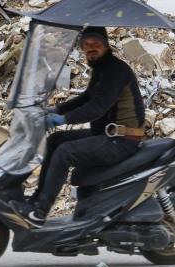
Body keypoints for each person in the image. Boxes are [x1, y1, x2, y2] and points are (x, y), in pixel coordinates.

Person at [15, 26, 145, 225]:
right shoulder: (102, 69)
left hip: (122, 140)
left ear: (106, 45)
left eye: (96, 44)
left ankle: (40, 210)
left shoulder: (115, 71)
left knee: (65, 152)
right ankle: (36, 200)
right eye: (86, 44)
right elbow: (87, 97)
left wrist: (64, 120)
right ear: (82, 48)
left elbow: (97, 107)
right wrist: (56, 110)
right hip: (106, 135)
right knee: (55, 140)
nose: (91, 48)